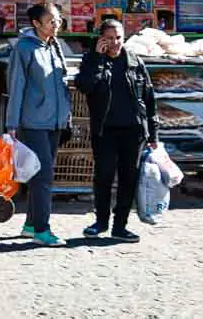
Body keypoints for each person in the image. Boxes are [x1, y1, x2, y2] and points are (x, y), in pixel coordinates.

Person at [75, 19, 159, 243]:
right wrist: (97, 58)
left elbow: (149, 98)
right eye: (109, 38)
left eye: (118, 38)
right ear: (101, 38)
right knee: (103, 177)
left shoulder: (134, 61)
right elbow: (85, 86)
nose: (114, 43)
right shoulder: (93, 60)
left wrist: (153, 132)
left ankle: (120, 225)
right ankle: (100, 221)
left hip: (133, 131)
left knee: (128, 178)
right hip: (105, 130)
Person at [6, 3, 72, 247]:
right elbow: (16, 86)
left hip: (55, 122)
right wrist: (11, 124)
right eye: (50, 21)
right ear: (36, 24)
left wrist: (67, 116)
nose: (56, 25)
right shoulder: (24, 49)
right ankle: (43, 229)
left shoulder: (55, 46)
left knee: (39, 176)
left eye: (57, 20)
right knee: (44, 177)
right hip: (32, 123)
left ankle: (31, 225)